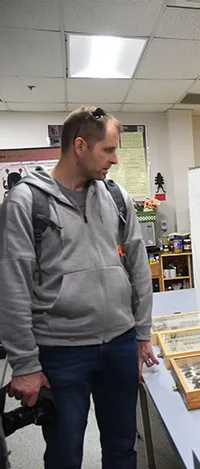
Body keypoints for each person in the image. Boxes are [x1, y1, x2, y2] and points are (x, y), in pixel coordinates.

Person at [0, 106, 159, 469]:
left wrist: (142, 333)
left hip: (119, 344)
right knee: (65, 453)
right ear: (80, 145)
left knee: (121, 447)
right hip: (61, 351)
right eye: (108, 150)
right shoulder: (26, 201)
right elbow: (11, 287)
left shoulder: (116, 197)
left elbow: (137, 265)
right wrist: (24, 364)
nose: (115, 160)